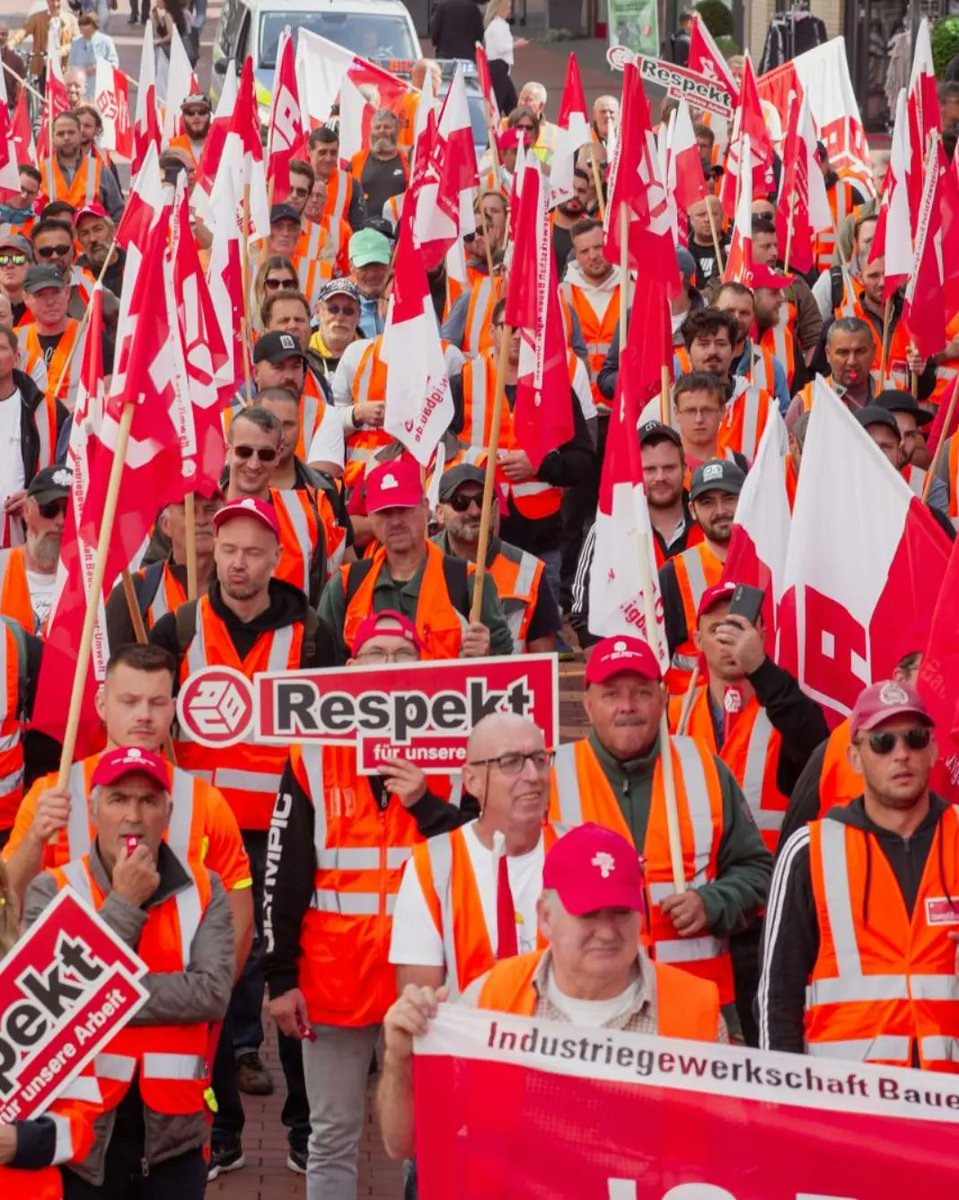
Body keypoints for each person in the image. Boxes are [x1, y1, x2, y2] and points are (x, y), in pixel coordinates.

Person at [263, 609, 469, 1200]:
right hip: (333, 981)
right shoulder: (311, 754)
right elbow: (283, 872)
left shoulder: (454, 752)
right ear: (349, 670)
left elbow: (488, 856)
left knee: (431, 1133)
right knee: (331, 1134)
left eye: (402, 656)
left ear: (422, 670)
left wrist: (428, 803)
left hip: (428, 981)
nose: (388, 668)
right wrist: (280, 978)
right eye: (375, 656)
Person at [379, 822, 726, 1160]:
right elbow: (406, 1144)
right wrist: (399, 1060)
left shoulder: (696, 1011)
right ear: (545, 916)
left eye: (621, 912)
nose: (607, 933)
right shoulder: (491, 1000)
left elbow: (731, 1154)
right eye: (589, 914)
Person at [150, 498, 336, 1106]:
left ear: (277, 558)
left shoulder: (314, 636)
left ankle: (304, 1125)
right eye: (227, 549)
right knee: (217, 973)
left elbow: (338, 739)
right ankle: (222, 1125)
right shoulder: (177, 629)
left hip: (286, 832)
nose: (236, 564)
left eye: (252, 552)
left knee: (287, 970)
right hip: (204, 832)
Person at [23, 745, 235, 1196]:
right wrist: (122, 904)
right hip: (82, 1137)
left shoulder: (206, 887)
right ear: (95, 809)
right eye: (119, 799)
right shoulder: (54, 888)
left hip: (176, 1138)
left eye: (148, 800)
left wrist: (103, 998)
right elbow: (47, 1009)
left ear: (168, 812)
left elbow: (213, 993)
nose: (134, 815)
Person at [549, 635, 774, 1012]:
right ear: (588, 705)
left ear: (662, 698)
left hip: (695, 1010)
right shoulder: (551, 777)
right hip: (585, 1012)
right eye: (611, 694)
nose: (627, 706)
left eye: (641, 692)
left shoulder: (704, 768)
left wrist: (713, 902)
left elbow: (758, 870)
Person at [758, 680, 959, 1072]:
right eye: (883, 742)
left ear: (933, 749)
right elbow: (776, 1000)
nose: (901, 754)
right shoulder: (808, 851)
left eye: (915, 739)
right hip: (848, 1106)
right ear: (854, 756)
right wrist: (780, 1110)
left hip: (948, 1106)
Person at [390, 712, 559, 997]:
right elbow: (419, 1010)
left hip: (560, 1041)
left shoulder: (579, 850)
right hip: (466, 1041)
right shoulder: (431, 869)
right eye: (511, 762)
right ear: (472, 781)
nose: (532, 775)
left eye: (540, 759)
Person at [320, 455, 512, 661]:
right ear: (371, 517)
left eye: (404, 510)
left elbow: (508, 667)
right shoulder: (345, 585)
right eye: (385, 512)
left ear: (425, 508)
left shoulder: (470, 581)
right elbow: (324, 671)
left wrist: (488, 653)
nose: (395, 522)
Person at [570, 422, 705, 651]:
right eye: (649, 469)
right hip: (632, 675)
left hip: (698, 681)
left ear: (685, 468)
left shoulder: (708, 525)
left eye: (669, 468)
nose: (660, 477)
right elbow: (583, 616)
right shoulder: (607, 530)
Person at [434, 463, 561, 654]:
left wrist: (493, 654)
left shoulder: (529, 571)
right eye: (460, 502)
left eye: (482, 500)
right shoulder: (420, 562)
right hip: (438, 682)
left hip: (507, 681)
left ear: (495, 507)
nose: (475, 511)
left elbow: (544, 666)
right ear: (439, 513)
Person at [660, 459, 745, 696]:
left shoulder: (772, 567)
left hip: (760, 715)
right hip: (691, 718)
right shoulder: (674, 575)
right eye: (708, 502)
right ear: (692, 510)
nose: (720, 511)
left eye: (729, 498)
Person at [104, 485, 223, 646]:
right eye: (189, 510)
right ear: (165, 524)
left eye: (209, 509)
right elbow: (109, 666)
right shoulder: (135, 592)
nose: (201, 520)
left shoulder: (243, 586)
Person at [0, 324, 63, 546]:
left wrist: (35, 495)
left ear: (17, 357)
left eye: (1, 348)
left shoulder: (45, 409)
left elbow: (65, 469)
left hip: (26, 537)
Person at [0, 464, 69, 633]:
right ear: (27, 511)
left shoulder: (95, 579)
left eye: (69, 511)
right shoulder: (2, 569)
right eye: (49, 509)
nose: (60, 521)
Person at [786, 317, 878, 431]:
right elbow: (788, 447)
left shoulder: (889, 394)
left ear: (874, 351)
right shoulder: (807, 400)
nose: (852, 361)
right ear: (828, 354)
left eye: (860, 351)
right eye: (843, 353)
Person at [39, 111, 124, 222]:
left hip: (91, 238)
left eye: (71, 133)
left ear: (80, 135)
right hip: (55, 239)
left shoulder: (100, 170)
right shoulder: (41, 171)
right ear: (53, 138)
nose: (66, 138)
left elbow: (118, 213)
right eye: (60, 133)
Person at [673, 371, 747, 474]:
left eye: (707, 410)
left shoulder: (742, 466)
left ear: (722, 411)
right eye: (691, 411)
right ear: (676, 413)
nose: (699, 419)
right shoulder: (664, 467)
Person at [349, 111, 409, 222]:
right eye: (377, 127)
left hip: (398, 232)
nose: (382, 131)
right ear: (371, 132)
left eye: (387, 127)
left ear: (396, 131)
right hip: (364, 232)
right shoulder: (357, 160)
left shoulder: (408, 160)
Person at [309, 126, 367, 232]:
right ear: (309, 151)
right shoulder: (297, 180)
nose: (328, 158)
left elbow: (359, 229)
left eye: (333, 152)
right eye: (322, 152)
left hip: (339, 247)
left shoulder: (351, 184)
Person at [8, 0, 78, 87]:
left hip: (62, 67)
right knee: (42, 93)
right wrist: (11, 43)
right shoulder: (37, 18)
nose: (55, 4)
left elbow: (76, 43)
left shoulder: (71, 20)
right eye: (52, 1)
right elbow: (23, 31)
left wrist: (60, 51)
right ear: (47, 2)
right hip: (43, 65)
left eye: (58, 1)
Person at [309, 278, 363, 382]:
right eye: (333, 309)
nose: (340, 317)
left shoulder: (370, 356)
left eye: (348, 311)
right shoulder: (302, 354)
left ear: (359, 316)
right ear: (318, 311)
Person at [483, 0, 528, 114]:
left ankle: (514, 124)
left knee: (510, 102)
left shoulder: (494, 25)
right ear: (500, 9)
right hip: (499, 65)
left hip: (497, 66)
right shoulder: (498, 25)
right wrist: (516, 44)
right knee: (500, 102)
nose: (509, 11)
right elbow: (501, 47)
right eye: (507, 8)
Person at [348, 228, 393, 339]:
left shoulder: (411, 303)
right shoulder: (338, 308)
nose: (372, 274)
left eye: (378, 266)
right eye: (365, 267)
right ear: (351, 267)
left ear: (390, 265)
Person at [74, 203, 125, 297]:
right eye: (84, 233)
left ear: (113, 231)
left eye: (98, 229)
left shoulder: (134, 265)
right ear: (79, 240)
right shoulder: (76, 278)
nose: (92, 238)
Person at [67, 11, 118, 96]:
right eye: (82, 30)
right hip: (81, 89)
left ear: (95, 27)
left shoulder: (106, 41)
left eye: (88, 31)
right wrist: (80, 71)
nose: (85, 33)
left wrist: (99, 68)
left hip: (101, 88)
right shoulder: (76, 43)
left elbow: (114, 64)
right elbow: (71, 65)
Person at [686, 196, 728, 290]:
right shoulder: (683, 252)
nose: (707, 219)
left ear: (722, 217)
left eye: (713, 214)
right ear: (691, 220)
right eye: (701, 215)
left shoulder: (733, 249)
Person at [169, 93, 211, 167]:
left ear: (209, 115)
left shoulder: (223, 145)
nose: (196, 116)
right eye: (190, 113)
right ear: (184, 117)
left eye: (202, 112)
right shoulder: (172, 148)